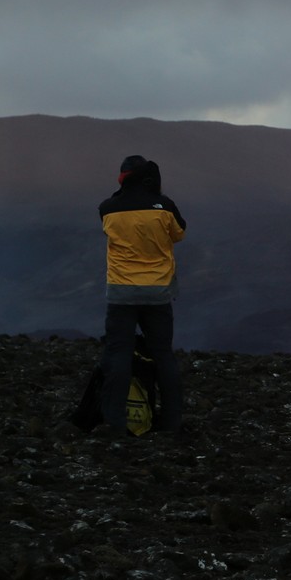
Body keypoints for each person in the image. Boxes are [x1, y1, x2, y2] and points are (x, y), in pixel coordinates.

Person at [99, 155, 187, 433]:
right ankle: (172, 422)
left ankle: (115, 422)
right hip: (158, 292)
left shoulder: (108, 208)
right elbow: (179, 234)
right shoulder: (165, 207)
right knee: (163, 354)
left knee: (119, 353)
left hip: (122, 291)